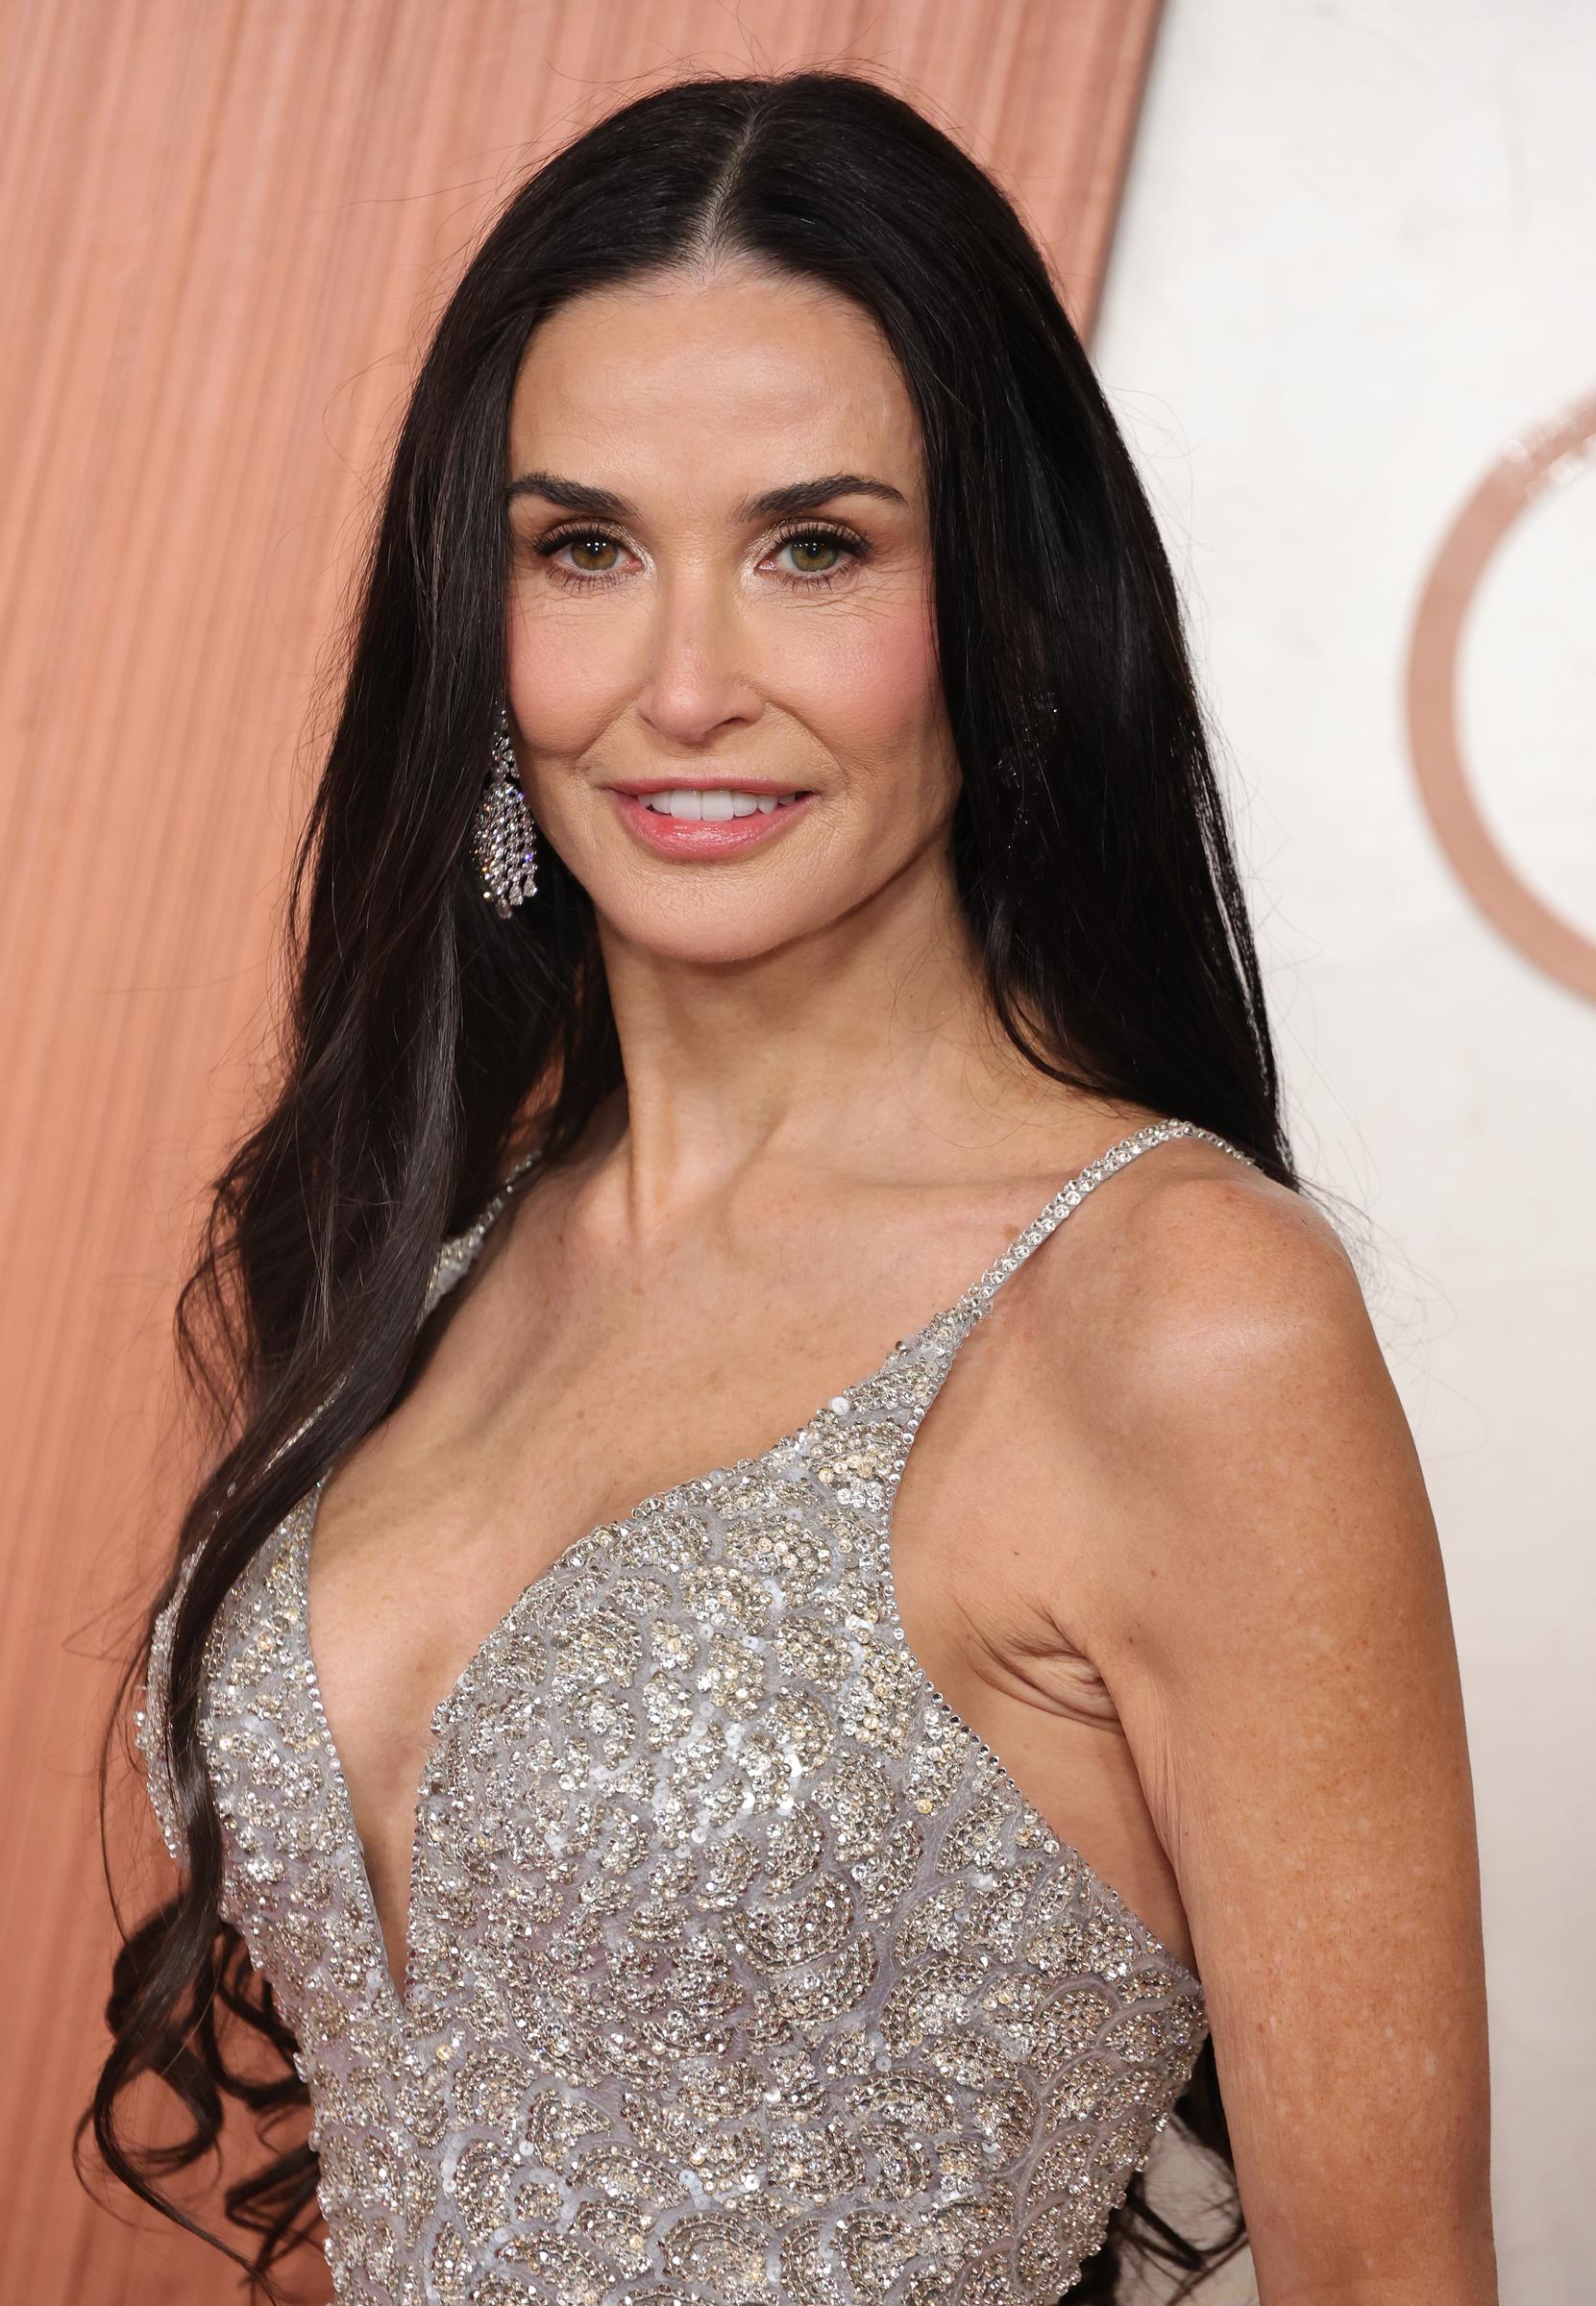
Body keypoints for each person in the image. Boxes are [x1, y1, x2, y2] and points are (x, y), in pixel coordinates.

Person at [84, 66, 1497, 2306]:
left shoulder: (1177, 1316)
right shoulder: (430, 1257)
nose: (682, 684)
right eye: (587, 549)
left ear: (1009, 619)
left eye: (813, 547)